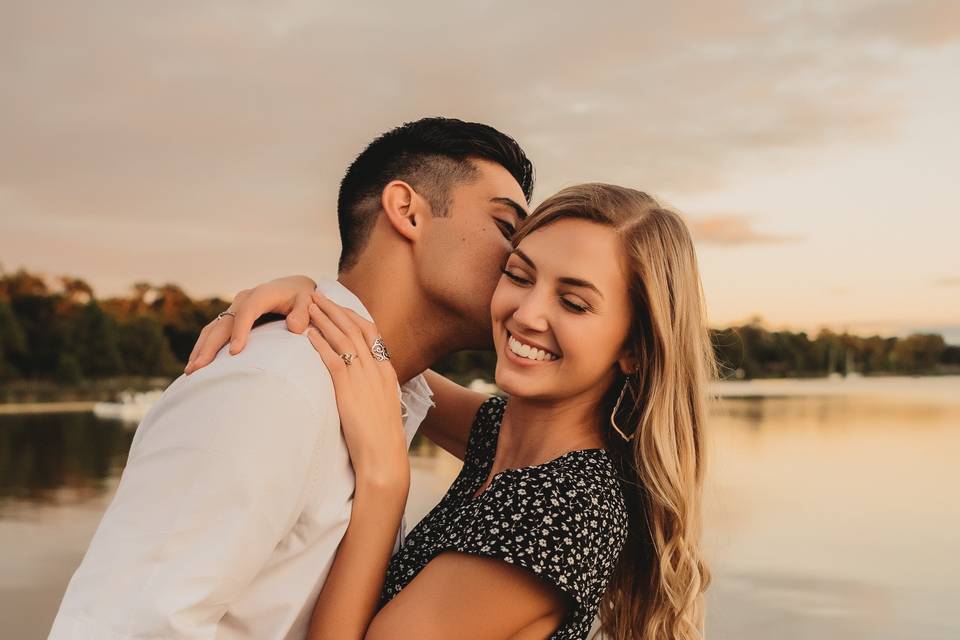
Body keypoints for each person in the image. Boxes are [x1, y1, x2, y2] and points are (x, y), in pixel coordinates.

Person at [48, 117, 535, 640]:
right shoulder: (272, 383)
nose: (523, 261)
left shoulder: (385, 390)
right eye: (507, 228)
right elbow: (122, 627)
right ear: (407, 211)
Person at [210, 184, 717, 639]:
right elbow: (383, 363)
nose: (527, 313)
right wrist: (313, 303)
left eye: (575, 303)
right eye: (519, 275)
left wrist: (383, 485)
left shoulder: (559, 509)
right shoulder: (504, 436)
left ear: (634, 348)